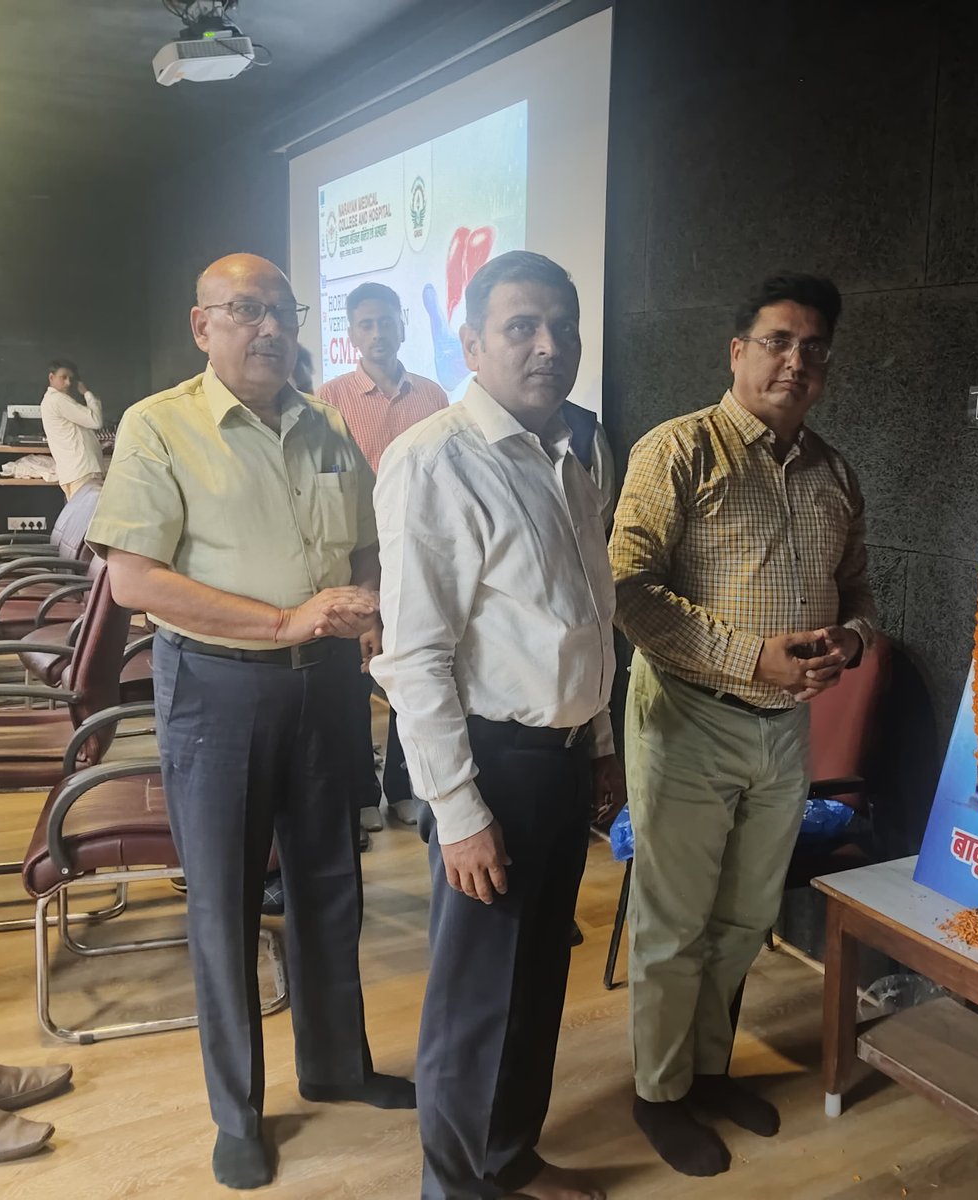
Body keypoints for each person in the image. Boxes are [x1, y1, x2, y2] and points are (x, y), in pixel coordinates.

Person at [88, 254, 413, 1190]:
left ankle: (337, 1065)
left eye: (283, 311)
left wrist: (368, 603)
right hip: (217, 687)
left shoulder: (325, 424)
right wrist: (280, 621)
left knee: (330, 883)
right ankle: (236, 1111)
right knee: (225, 901)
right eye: (246, 311)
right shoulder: (159, 425)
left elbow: (364, 546)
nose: (270, 328)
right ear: (203, 326)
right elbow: (134, 579)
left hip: (327, 686)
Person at [609, 273, 878, 1177]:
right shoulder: (677, 450)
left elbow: (860, 591)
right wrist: (749, 657)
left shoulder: (835, 472)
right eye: (777, 341)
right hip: (688, 717)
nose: (796, 361)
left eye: (813, 348)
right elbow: (631, 593)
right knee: (674, 923)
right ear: (737, 352)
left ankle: (709, 1071)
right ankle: (658, 1094)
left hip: (784, 729)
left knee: (746, 917)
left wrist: (849, 638)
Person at [373, 250, 621, 1200]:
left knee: (535, 985)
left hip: (560, 761)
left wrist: (600, 745)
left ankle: (509, 1160)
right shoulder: (434, 459)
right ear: (472, 343)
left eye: (563, 326)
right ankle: (457, 1186)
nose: (549, 345)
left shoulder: (570, 455)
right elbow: (416, 656)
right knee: (476, 1002)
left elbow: (583, 616)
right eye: (522, 327)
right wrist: (459, 811)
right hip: (492, 767)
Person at [317, 281, 449, 472]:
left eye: (386, 324)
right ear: (351, 336)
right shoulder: (329, 399)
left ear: (402, 330)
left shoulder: (433, 396)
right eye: (366, 326)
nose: (377, 334)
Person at [40, 360, 105, 498]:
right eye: (63, 377)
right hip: (83, 470)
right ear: (51, 377)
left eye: (70, 378)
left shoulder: (49, 400)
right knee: (89, 511)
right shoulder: (58, 399)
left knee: (79, 510)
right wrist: (87, 393)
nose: (68, 383)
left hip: (73, 471)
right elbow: (96, 421)